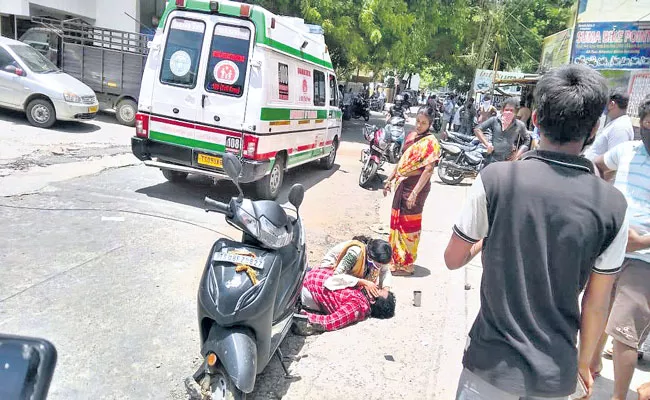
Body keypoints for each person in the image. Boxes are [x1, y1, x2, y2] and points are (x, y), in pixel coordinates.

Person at [445, 64, 629, 399]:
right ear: (594, 129)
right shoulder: (614, 206)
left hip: (489, 365)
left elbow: (453, 258)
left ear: (536, 120)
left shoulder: (497, 180)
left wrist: (488, 235)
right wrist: (584, 363)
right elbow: (597, 303)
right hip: (554, 373)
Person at [592, 97, 650, 400]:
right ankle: (591, 367)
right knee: (598, 312)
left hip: (644, 260)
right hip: (611, 248)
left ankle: (618, 397)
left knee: (625, 333)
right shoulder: (628, 151)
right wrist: (604, 205)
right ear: (642, 122)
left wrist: (644, 241)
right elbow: (596, 165)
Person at [383, 106, 441, 276]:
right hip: (403, 185)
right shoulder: (410, 136)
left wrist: (414, 193)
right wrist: (390, 179)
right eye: (417, 121)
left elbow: (428, 170)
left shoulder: (431, 143)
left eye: (423, 123)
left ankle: (407, 264)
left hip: (416, 188)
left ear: (430, 124)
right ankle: (397, 260)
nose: (419, 125)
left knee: (410, 227)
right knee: (399, 224)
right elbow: (402, 161)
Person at [292, 268, 396, 335]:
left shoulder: (356, 306)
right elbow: (385, 268)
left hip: (303, 288)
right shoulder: (364, 288)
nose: (376, 286)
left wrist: (300, 315)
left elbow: (330, 322)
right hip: (307, 273)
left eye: (378, 290)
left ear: (373, 300)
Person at [313, 235, 393, 298]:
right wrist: (363, 282)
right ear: (370, 256)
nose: (379, 267)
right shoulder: (355, 253)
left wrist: (385, 289)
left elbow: (385, 270)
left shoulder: (377, 254)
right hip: (331, 269)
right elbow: (337, 276)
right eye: (378, 264)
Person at [474, 97, 531, 165]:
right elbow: (477, 129)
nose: (508, 112)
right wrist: (487, 144)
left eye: (511, 110)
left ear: (516, 112)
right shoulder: (494, 120)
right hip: (491, 159)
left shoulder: (519, 125)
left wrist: (517, 155)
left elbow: (527, 140)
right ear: (502, 110)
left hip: (507, 161)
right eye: (506, 110)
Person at [583, 87, 635, 161]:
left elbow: (614, 160)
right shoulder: (616, 122)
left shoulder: (620, 128)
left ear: (612, 104)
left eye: (605, 103)